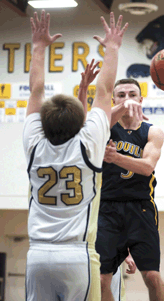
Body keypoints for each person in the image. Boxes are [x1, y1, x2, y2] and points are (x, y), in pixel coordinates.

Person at [23, 9, 128, 301]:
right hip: (77, 255)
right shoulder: (88, 145)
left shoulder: (34, 144)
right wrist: (113, 48)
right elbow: (105, 89)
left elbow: (35, 89)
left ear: (43, 122)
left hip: (38, 256)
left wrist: (39, 46)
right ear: (80, 121)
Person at [95, 78, 164, 301]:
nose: (127, 99)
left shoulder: (152, 131)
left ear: (141, 99)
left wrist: (115, 157)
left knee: (153, 277)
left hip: (141, 209)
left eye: (131, 94)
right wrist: (118, 110)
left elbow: (147, 168)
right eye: (121, 95)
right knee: (100, 281)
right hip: (107, 209)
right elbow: (91, 123)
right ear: (113, 99)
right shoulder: (104, 129)